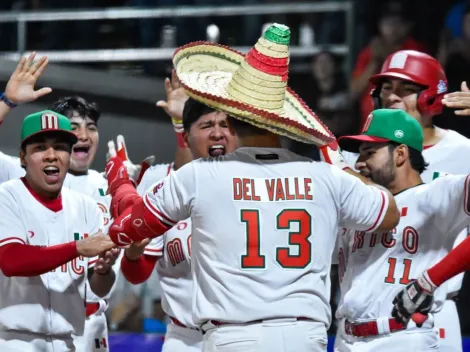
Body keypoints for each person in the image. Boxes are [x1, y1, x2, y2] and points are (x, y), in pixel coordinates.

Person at [106, 24, 400, 352]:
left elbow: (127, 228)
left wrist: (120, 183)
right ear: (284, 120)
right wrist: (340, 165)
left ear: (231, 120)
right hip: (306, 337)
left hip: (234, 336)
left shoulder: (199, 176)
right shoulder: (326, 177)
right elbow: (389, 212)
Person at [0, 53, 134, 352]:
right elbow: (10, 260)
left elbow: (97, 286)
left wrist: (102, 270)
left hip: (71, 339)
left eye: (60, 147)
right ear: (22, 157)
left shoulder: (87, 204)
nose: (51, 155)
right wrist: (6, 103)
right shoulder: (7, 192)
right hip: (14, 340)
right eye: (40, 147)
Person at [342, 49, 470, 352]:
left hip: (431, 308)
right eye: (387, 87)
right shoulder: (355, 156)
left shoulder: (463, 151)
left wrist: (431, 279)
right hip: (357, 313)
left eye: (407, 89)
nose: (393, 96)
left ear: (431, 96)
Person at [108, 83, 238, 351]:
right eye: (206, 126)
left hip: (240, 335)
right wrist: (133, 252)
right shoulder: (161, 185)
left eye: (225, 125)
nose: (217, 133)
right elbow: (136, 273)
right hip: (184, 336)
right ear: (186, 137)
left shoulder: (254, 184)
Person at [350, 1, 426, 126]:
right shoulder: (370, 51)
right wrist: (374, 61)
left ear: (407, 26)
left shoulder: (416, 50)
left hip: (405, 125)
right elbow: (354, 92)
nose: (392, 27)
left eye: (397, 22)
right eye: (388, 22)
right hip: (373, 125)